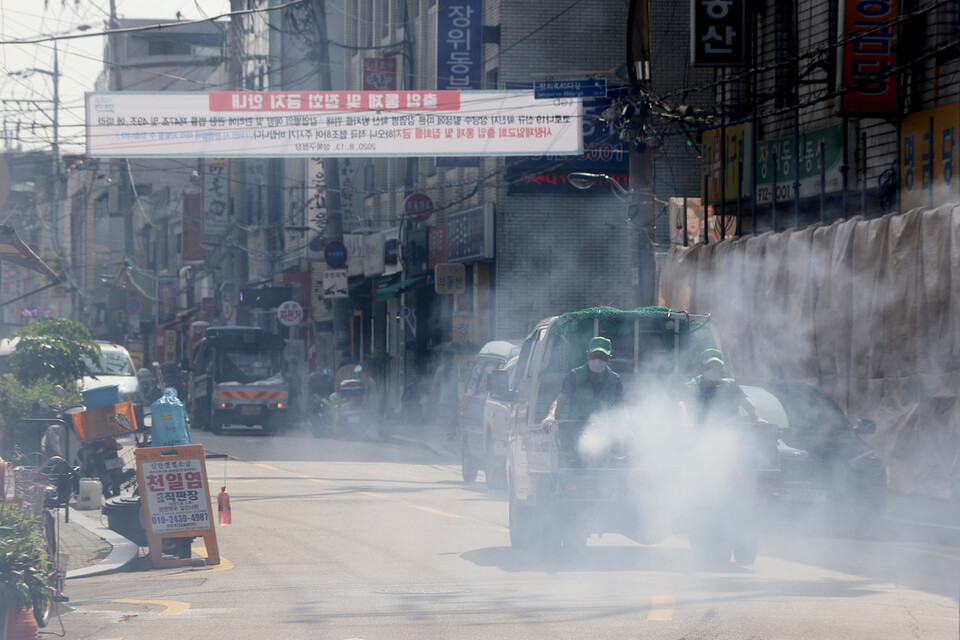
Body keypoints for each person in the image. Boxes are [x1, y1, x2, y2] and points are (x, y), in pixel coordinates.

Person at [541, 336, 624, 428]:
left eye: (602, 356)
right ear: (588, 354)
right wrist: (551, 415)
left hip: (603, 433)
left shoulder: (614, 380)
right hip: (574, 431)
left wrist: (625, 423)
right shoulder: (574, 376)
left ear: (609, 357)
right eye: (595, 355)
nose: (598, 360)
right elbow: (559, 401)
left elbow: (621, 407)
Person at [683, 349, 758, 424]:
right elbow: (681, 404)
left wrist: (756, 418)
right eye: (709, 367)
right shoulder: (692, 386)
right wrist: (684, 420)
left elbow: (745, 401)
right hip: (700, 432)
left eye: (717, 367)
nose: (713, 371)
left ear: (721, 368)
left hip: (730, 432)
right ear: (701, 368)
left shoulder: (730, 385)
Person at [434, 350, 460, 440]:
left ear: (444, 358)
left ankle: (450, 431)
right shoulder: (457, 368)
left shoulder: (440, 369)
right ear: (453, 358)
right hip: (455, 397)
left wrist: (436, 397)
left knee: (445, 417)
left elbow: (436, 385)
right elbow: (461, 383)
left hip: (444, 398)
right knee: (453, 416)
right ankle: (452, 431)